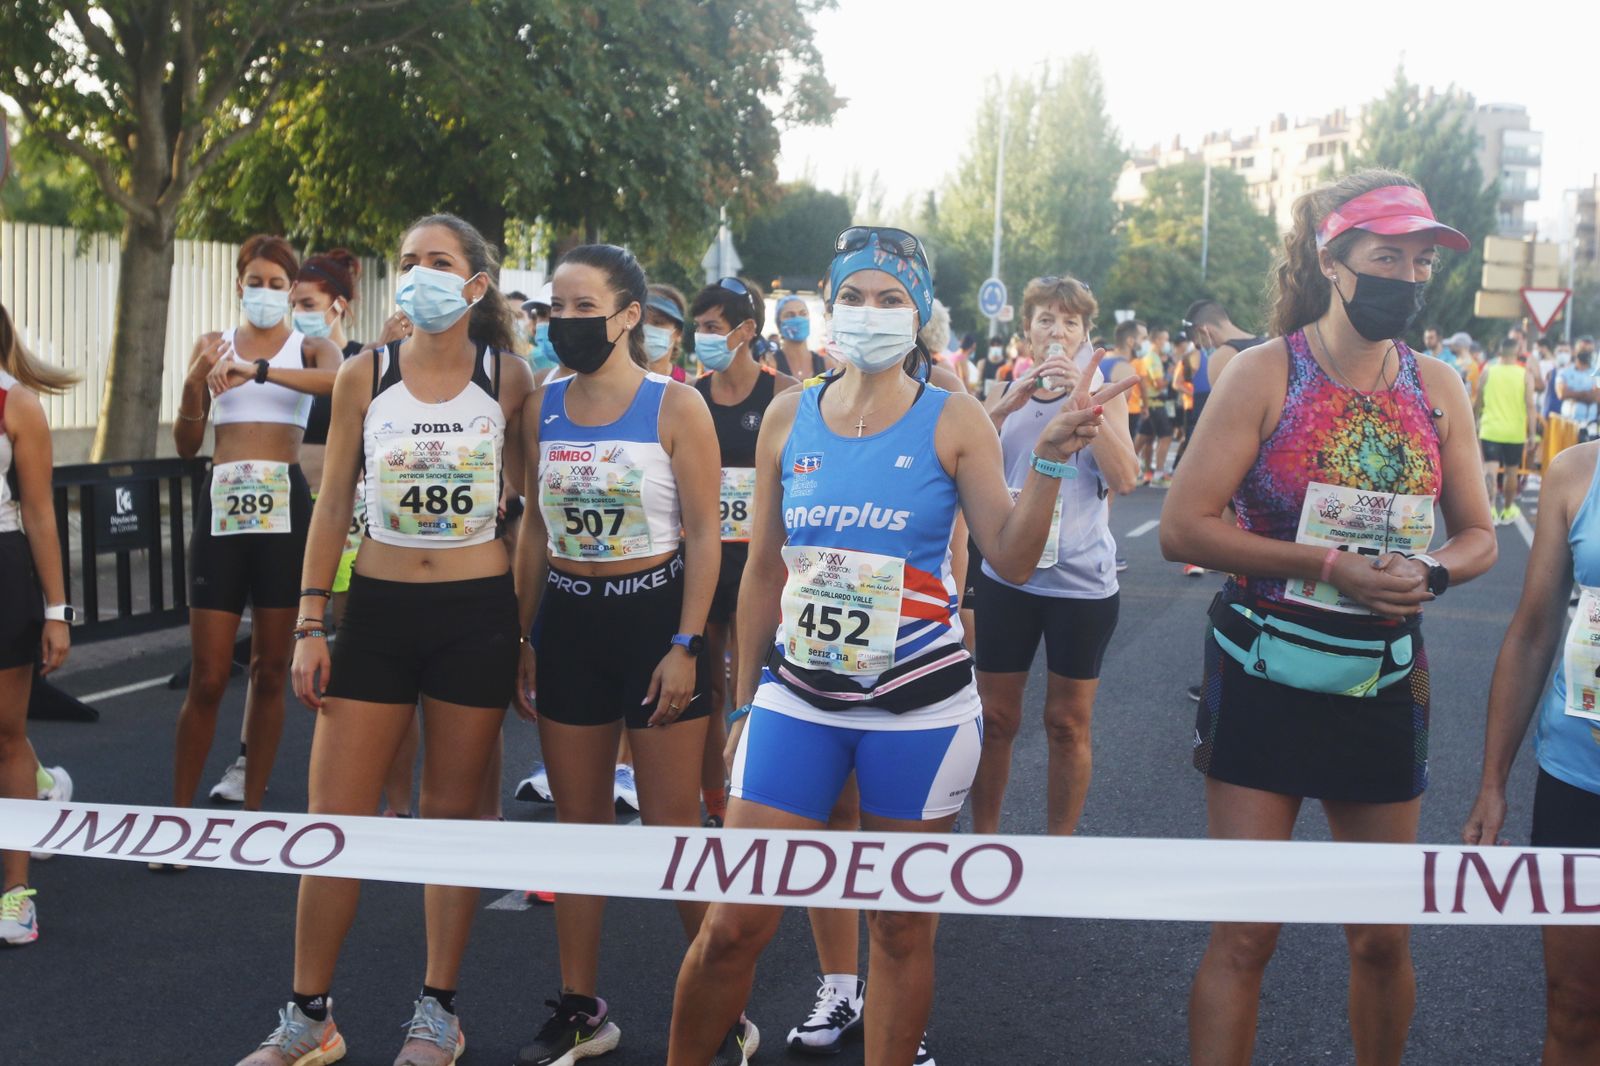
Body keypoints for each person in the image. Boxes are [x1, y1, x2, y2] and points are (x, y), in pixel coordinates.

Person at [666, 225, 1133, 1066]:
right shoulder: (785, 416)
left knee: (899, 927)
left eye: (890, 300)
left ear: (917, 314)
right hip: (797, 699)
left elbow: (1011, 555)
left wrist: (1056, 459)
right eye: (853, 296)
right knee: (733, 925)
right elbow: (762, 574)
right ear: (828, 305)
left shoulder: (954, 418)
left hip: (917, 709)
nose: (868, 313)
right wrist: (743, 700)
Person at [1160, 171, 1498, 1065]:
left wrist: (1428, 569)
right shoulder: (1263, 371)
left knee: (1381, 936)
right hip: (1263, 671)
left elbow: (1480, 536)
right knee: (1245, 936)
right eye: (1387, 256)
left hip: (1382, 678)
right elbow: (1181, 526)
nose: (1408, 277)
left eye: (1421, 261)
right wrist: (1326, 564)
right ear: (1334, 261)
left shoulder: (1439, 387)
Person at [237, 213, 534, 1066]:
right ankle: (307, 1016)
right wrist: (307, 621)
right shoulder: (365, 373)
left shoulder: (509, 378)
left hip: (475, 617)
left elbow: (534, 515)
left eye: (439, 261)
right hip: (374, 612)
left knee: (452, 815)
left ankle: (437, 1012)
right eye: (408, 262)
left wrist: (523, 633)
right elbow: (333, 504)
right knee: (333, 816)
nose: (419, 275)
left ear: (475, 285)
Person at [512, 243, 721, 1066]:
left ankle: (721, 998)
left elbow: (705, 536)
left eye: (583, 307)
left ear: (629, 315)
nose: (565, 322)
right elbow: (533, 523)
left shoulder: (676, 407)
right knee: (580, 825)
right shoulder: (544, 404)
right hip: (569, 621)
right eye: (556, 308)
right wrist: (525, 635)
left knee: (673, 824)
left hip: (653, 623)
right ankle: (580, 1008)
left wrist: (687, 645)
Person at [169, 235, 338, 832]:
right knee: (209, 674)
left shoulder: (311, 347)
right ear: (237, 283)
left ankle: (254, 814)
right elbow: (187, 443)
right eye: (254, 281)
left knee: (269, 668)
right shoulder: (211, 345)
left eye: (275, 283)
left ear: (290, 290)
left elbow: (339, 386)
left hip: (283, 510)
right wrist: (196, 382)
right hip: (223, 507)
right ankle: (180, 817)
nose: (263, 292)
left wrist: (262, 370)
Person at [969, 274, 1139, 839]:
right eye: (1046, 319)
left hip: (1081, 584)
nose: (1058, 332)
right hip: (1006, 578)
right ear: (1028, 331)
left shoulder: (1102, 393)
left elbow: (1127, 479)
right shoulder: (1003, 388)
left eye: (1071, 322)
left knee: (1067, 722)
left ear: (1086, 333)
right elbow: (960, 468)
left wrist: (1084, 410)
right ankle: (985, 838)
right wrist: (999, 408)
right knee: (995, 719)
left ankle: (1057, 851)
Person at [208, 248, 366, 806]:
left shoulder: (352, 361)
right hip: (281, 506)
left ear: (336, 307)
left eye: (304, 301)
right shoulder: (266, 351)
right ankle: (248, 759)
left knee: (341, 641)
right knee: (277, 653)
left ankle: (347, 758)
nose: (291, 309)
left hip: (342, 513)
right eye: (288, 298)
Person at [1462, 439, 1600, 1066]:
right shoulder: (1578, 470)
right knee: (1574, 1005)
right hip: (1580, 776)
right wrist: (1494, 781)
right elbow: (1534, 630)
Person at [691, 276, 798, 829]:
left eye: (713, 327)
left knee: (754, 681)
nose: (702, 337)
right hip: (710, 555)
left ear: (747, 331)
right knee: (707, 686)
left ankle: (751, 793)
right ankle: (715, 798)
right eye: (699, 327)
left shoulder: (784, 393)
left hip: (764, 563)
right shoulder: (692, 395)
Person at [0, 302, 76, 947]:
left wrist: (58, 612)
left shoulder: (15, 405)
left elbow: (40, 513)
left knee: (5, 733)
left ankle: (16, 893)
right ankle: (44, 785)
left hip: (3, 572)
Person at [1474, 336, 1537, 525]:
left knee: (1490, 471)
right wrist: (1532, 433)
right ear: (1517, 352)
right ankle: (1508, 509)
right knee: (1512, 472)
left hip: (1491, 429)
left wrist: (1475, 421)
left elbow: (1478, 402)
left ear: (1499, 352)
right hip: (1514, 432)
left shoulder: (1487, 372)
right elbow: (1531, 406)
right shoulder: (1524, 374)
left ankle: (1490, 509)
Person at [1183, 299, 1266, 390]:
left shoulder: (1221, 357)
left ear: (1202, 331)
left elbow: (1221, 404)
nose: (1203, 349)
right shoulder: (1267, 344)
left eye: (1199, 345)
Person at [1133, 326, 1174, 486]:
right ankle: (1158, 473)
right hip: (1155, 403)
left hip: (1149, 404)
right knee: (1166, 437)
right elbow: (1158, 384)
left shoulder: (1151, 357)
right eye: (1165, 339)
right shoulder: (1153, 358)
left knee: (1144, 438)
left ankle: (1133, 470)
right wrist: (1170, 374)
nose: (1167, 343)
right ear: (1157, 340)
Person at [771, 294, 829, 380]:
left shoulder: (827, 364)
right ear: (779, 324)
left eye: (803, 313)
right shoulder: (771, 363)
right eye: (790, 315)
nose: (798, 319)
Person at [644, 283, 691, 382]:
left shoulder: (689, 386)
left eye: (658, 322)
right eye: (641, 321)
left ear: (678, 333)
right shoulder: (615, 381)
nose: (646, 328)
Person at [1557, 340, 1599, 443]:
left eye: (1590, 350)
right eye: (1583, 349)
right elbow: (1562, 393)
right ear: (1575, 351)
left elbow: (1597, 397)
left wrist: (1573, 394)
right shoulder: (1565, 372)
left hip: (1590, 427)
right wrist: (1586, 394)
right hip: (1568, 424)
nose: (1587, 353)